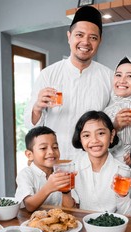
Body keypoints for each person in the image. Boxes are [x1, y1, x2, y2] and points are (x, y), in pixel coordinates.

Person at [24, 5, 113, 161]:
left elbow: (114, 126)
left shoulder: (109, 77)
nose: (85, 42)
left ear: (100, 41)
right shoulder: (48, 75)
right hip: (57, 161)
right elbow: (31, 125)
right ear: (69, 36)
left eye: (93, 37)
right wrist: (37, 107)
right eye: (79, 35)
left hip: (95, 163)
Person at [70, 110, 131, 214]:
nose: (94, 140)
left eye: (101, 133)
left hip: (112, 227)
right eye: (86, 135)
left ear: (111, 135)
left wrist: (122, 196)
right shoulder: (74, 168)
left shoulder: (123, 172)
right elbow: (70, 209)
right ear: (80, 139)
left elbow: (127, 214)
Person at [15, 126, 76, 212]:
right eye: (43, 148)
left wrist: (66, 190)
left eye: (55, 147)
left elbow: (69, 209)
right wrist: (49, 187)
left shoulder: (60, 173)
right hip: (30, 222)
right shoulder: (25, 174)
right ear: (29, 155)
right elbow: (29, 206)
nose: (51, 152)